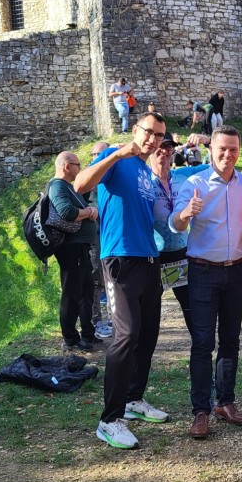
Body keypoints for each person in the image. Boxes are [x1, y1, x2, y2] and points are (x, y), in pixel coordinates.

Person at [75, 112, 170, 449]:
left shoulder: (146, 171)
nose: (153, 139)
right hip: (119, 258)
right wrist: (114, 154)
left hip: (148, 258)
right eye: (149, 132)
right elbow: (81, 184)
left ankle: (133, 400)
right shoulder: (114, 157)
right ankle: (109, 419)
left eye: (159, 135)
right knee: (126, 334)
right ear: (135, 130)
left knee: (148, 334)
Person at [171, 126, 242, 439]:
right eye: (222, 149)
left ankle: (226, 402)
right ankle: (200, 411)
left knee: (231, 340)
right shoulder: (194, 183)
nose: (227, 154)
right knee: (203, 342)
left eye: (233, 149)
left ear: (239, 150)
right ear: (211, 150)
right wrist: (185, 213)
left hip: (235, 271)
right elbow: (174, 222)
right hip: (203, 271)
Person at [149, 132, 209, 333]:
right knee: (149, 313)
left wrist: (208, 142)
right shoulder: (142, 180)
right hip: (153, 255)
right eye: (161, 146)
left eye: (169, 147)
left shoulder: (183, 175)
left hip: (182, 253)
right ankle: (142, 358)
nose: (164, 151)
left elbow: (217, 166)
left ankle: (201, 353)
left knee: (192, 309)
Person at [49, 151, 100, 352]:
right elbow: (66, 212)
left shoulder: (69, 187)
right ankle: (70, 338)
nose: (80, 168)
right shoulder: (57, 185)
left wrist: (90, 207)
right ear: (66, 166)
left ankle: (87, 333)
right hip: (70, 248)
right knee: (71, 292)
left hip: (81, 247)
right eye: (78, 164)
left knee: (86, 290)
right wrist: (88, 212)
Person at [87, 141, 113, 339]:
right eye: (94, 154)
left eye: (101, 154)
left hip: (112, 236)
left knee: (111, 280)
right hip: (94, 236)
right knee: (95, 280)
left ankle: (114, 318)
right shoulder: (89, 177)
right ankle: (96, 321)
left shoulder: (114, 175)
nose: (97, 158)